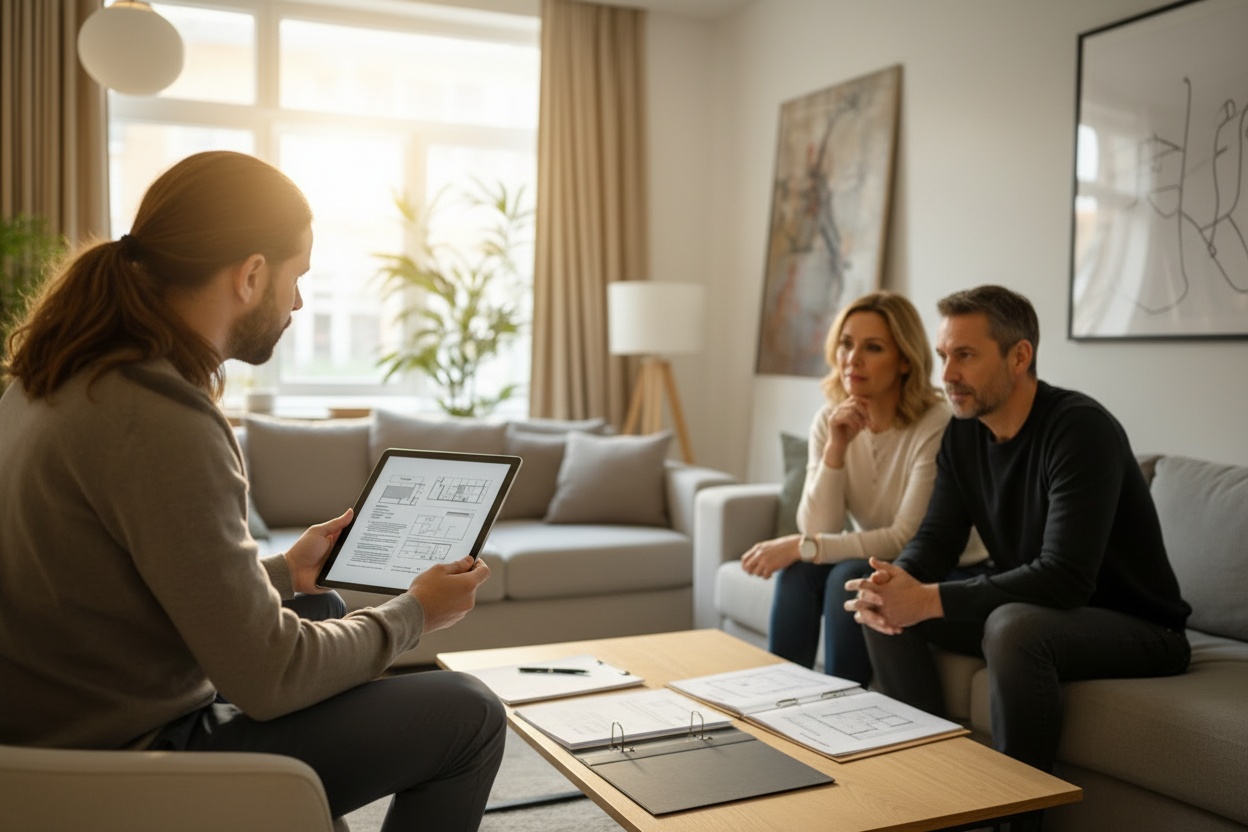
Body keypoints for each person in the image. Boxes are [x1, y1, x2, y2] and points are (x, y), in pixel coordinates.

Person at [0, 151, 505, 830]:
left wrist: (281, 572)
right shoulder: (161, 419)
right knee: (469, 712)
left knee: (318, 600)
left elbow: (118, 586)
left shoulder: (52, 379)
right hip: (136, 757)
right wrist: (416, 611)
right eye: (296, 277)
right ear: (252, 274)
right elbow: (271, 679)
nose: (297, 301)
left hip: (54, 738)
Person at [846, 285, 1191, 829]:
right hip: (1040, 605)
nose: (947, 375)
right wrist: (899, 580)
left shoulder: (1079, 429)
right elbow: (936, 539)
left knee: (1012, 627)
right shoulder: (964, 434)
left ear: (1019, 356)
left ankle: (1017, 820)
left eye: (965, 355)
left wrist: (929, 599)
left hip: (1140, 626)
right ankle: (935, 798)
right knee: (883, 604)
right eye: (943, 356)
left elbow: (1065, 578)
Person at [740, 291, 987, 683]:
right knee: (798, 575)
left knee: (846, 577)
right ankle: (775, 701)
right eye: (846, 344)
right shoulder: (829, 421)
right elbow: (819, 525)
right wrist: (836, 448)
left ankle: (845, 710)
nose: (852, 359)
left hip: (947, 568)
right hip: (881, 558)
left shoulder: (936, 424)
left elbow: (905, 537)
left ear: (904, 360)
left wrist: (799, 547)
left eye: (872, 348)